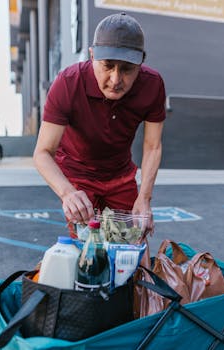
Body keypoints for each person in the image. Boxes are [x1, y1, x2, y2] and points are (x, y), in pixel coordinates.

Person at [33, 12, 166, 238]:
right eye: (108, 66)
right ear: (92, 55)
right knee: (87, 250)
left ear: (141, 62)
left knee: (132, 243)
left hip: (120, 173)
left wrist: (144, 198)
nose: (115, 80)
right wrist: (68, 193)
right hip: (77, 173)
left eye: (127, 69)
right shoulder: (67, 83)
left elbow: (153, 146)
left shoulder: (152, 85)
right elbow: (43, 153)